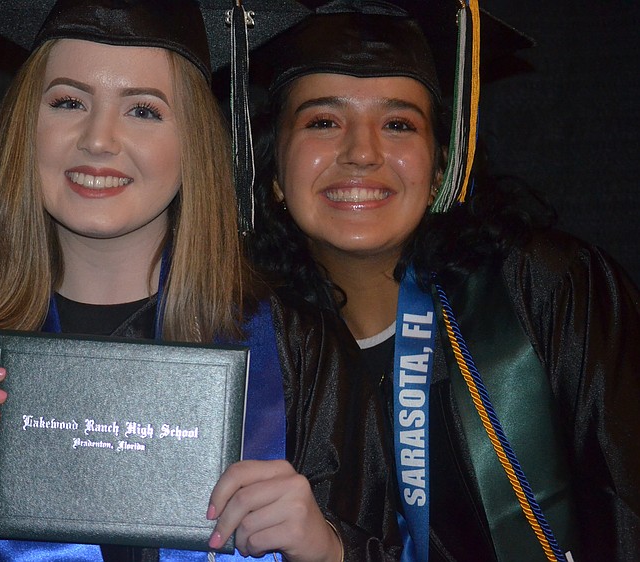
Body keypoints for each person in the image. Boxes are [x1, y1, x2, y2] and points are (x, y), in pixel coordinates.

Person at [0, 1, 398, 561]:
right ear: (25, 129)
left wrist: (326, 549)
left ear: (195, 146)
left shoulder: (296, 350)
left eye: (143, 110)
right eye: (68, 101)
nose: (99, 139)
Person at [248, 2, 640, 561]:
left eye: (398, 124)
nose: (361, 152)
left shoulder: (547, 293)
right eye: (323, 122)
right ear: (274, 172)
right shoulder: (250, 348)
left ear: (439, 167)